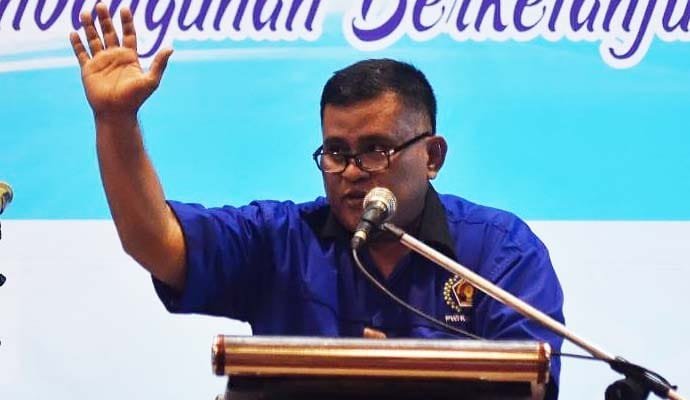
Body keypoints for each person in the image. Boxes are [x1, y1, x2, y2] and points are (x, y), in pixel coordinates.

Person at [70, 4, 565, 398]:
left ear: (431, 156)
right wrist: (115, 121)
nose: (351, 172)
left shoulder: (499, 251)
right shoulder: (281, 239)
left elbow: (529, 386)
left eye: (375, 150)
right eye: (336, 152)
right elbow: (154, 241)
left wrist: (407, 379)